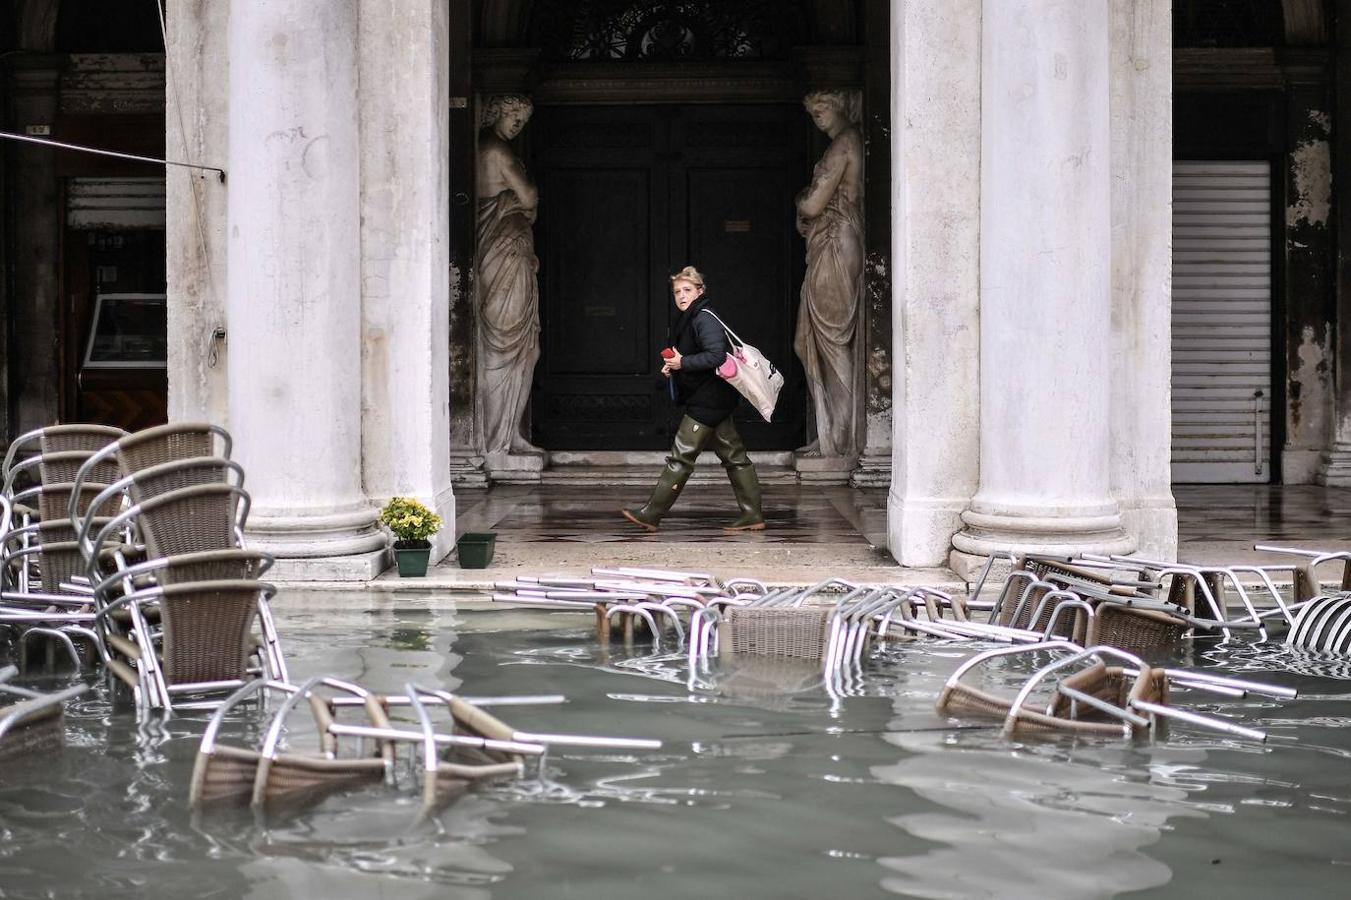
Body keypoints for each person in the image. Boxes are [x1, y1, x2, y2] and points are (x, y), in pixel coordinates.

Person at [621, 267, 766, 532]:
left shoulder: (703, 318)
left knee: (682, 456)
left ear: (700, 291)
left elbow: (716, 357)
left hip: (708, 401)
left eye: (687, 290)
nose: (681, 295)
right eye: (677, 291)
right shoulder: (692, 317)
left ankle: (651, 513)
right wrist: (676, 365)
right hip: (716, 398)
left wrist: (683, 361)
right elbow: (696, 357)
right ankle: (752, 514)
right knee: (735, 456)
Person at [795, 89, 864, 459]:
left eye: (822, 106)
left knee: (833, 341)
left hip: (836, 243)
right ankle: (832, 434)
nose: (816, 114)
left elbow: (812, 203)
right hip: (831, 243)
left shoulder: (844, 142)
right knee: (815, 340)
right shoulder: (844, 142)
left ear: (841, 103)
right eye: (812, 108)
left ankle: (840, 439)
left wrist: (799, 202)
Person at [476, 94, 542, 456]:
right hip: (503, 252)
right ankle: (494, 440)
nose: (518, 124)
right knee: (506, 345)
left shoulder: (498, 149)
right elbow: (529, 196)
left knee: (527, 349)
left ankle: (508, 434)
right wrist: (521, 202)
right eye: (513, 116)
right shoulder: (497, 151)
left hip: (511, 249)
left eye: (522, 120)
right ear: (495, 112)